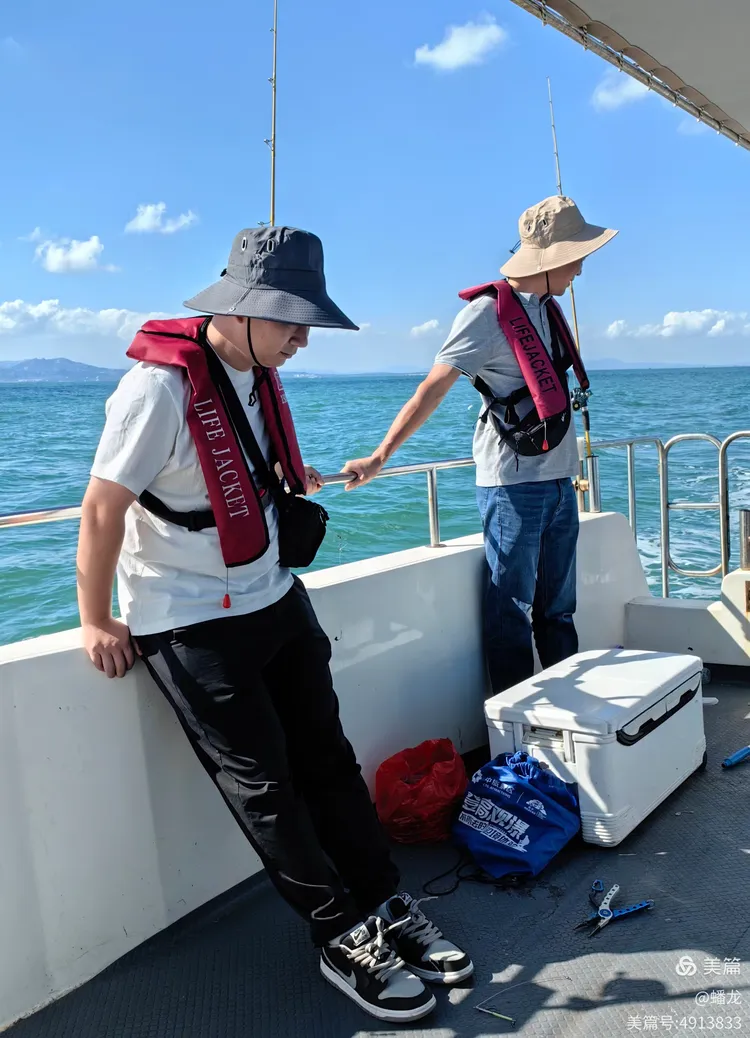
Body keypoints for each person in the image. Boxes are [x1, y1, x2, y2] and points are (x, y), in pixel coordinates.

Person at [76, 226, 473, 1024]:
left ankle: (385, 901)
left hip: (274, 596)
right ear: (244, 309)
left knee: (328, 758)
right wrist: (95, 620)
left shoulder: (253, 374)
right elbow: (101, 508)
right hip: (188, 624)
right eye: (291, 321)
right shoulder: (155, 391)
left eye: (306, 324)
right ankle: (340, 935)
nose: (301, 339)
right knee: (267, 790)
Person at [343, 196, 617, 693]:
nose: (580, 267)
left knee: (559, 610)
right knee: (511, 611)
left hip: (558, 479)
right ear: (551, 258)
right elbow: (434, 386)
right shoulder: (485, 315)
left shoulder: (547, 310)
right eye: (576, 256)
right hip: (513, 485)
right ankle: (512, 732)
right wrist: (380, 456)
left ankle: (573, 713)